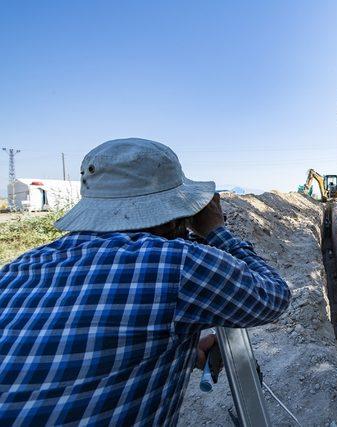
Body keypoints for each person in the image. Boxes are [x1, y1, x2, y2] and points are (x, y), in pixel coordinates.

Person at [0, 138, 291, 425]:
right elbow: (274, 295)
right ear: (175, 214)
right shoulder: (175, 262)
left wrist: (183, 351)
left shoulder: (16, 270)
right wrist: (215, 230)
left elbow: (65, 355)